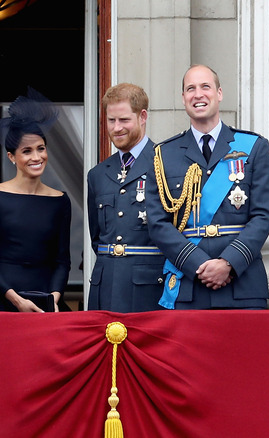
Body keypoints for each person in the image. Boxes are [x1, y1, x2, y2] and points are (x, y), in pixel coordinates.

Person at [145, 65, 269, 310]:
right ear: (183, 98)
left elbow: (263, 216)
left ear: (219, 93)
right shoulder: (164, 154)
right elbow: (158, 223)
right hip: (189, 287)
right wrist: (198, 265)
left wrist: (228, 263)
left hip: (243, 286)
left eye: (205, 87)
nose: (198, 94)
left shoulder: (254, 147)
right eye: (190, 89)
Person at [0, 88, 71, 312]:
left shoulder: (60, 200)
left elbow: (62, 261)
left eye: (41, 148)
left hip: (46, 302)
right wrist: (17, 301)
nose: (36, 157)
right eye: (27, 151)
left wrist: (53, 298)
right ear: (12, 157)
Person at [86, 83, 165, 312]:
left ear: (142, 117)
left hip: (149, 289)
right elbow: (97, 237)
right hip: (106, 286)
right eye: (111, 121)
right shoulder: (98, 174)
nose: (116, 128)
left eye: (124, 120)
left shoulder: (165, 164)